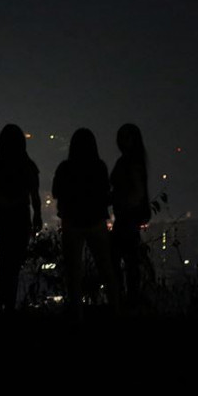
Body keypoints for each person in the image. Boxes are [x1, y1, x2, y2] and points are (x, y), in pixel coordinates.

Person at [52, 128, 119, 320]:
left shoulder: (65, 168)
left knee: (73, 272)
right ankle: (115, 310)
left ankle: (77, 315)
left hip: (72, 223)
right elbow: (106, 194)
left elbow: (56, 192)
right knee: (106, 268)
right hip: (96, 222)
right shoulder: (99, 167)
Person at [0, 124, 42, 314]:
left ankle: (1, 302)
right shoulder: (28, 167)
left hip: (0, 218)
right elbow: (35, 196)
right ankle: (9, 305)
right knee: (13, 264)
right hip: (20, 218)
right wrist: (37, 216)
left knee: (5, 259)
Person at [110, 123, 150, 309]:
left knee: (119, 259)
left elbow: (136, 192)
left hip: (126, 218)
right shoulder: (134, 161)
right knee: (129, 260)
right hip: (128, 218)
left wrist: (121, 202)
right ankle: (129, 300)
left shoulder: (129, 162)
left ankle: (123, 300)